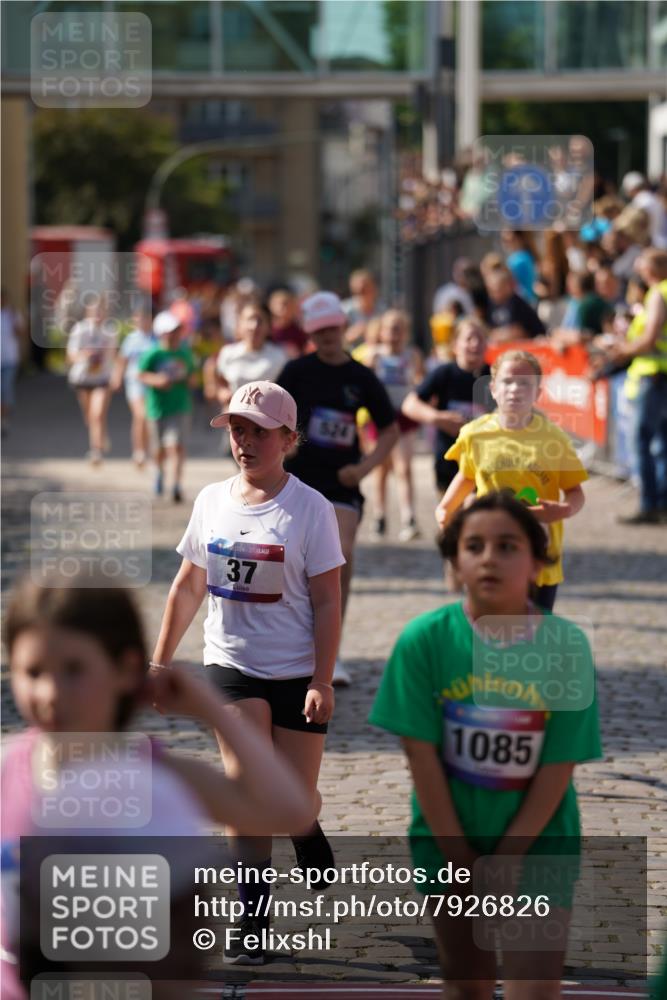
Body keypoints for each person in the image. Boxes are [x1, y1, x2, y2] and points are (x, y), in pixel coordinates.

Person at [1, 576, 314, 999]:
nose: (51, 693)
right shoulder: (8, 769)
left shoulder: (158, 776)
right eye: (33, 672)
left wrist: (212, 710)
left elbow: (292, 811)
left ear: (125, 670)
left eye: (74, 670)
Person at [369, 492, 602, 1000]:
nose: (490, 558)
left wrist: (510, 856)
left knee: (534, 988)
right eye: (473, 546)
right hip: (447, 838)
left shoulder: (566, 646)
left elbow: (559, 764)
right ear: (455, 564)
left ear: (538, 564)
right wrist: (457, 855)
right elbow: (421, 757)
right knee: (466, 982)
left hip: (540, 842)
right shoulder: (424, 641)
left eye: (508, 546)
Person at [150, 380, 344, 964]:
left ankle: (304, 825)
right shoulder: (211, 501)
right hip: (230, 665)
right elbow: (188, 586)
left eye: (259, 432)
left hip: (296, 671)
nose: (246, 442)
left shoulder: (311, 508)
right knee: (247, 788)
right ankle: (251, 919)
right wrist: (160, 661)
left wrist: (322, 679)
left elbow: (328, 600)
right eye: (238, 430)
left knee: (292, 797)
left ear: (288, 439)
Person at [278, 292, 398, 686]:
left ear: (343, 327)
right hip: (295, 481)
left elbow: (390, 430)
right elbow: (269, 416)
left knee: (340, 555)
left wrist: (363, 469)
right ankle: (291, 646)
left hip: (340, 484)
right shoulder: (296, 371)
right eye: (319, 330)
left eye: (332, 328)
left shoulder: (361, 377)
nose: (327, 336)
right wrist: (284, 444)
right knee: (290, 563)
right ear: (311, 333)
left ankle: (332, 654)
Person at [435, 350, 587, 611]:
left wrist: (563, 510)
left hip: (538, 556)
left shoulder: (554, 439)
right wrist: (445, 508)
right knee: (486, 629)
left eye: (525, 383)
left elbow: (576, 492)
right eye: (507, 382)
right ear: (493, 389)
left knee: (533, 632)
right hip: (489, 553)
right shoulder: (475, 434)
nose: (515, 389)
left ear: (538, 393)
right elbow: (467, 475)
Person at [603, 247, 667, 524]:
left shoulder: (658, 293)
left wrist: (623, 351)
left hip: (652, 375)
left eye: (641, 265)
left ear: (650, 269)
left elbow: (650, 338)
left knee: (642, 441)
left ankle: (649, 505)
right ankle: (661, 504)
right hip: (660, 375)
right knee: (662, 442)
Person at [402, 319, 492, 494]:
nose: (475, 344)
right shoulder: (444, 373)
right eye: (469, 339)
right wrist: (438, 418)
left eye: (480, 339)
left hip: (486, 464)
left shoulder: (495, 375)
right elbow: (409, 405)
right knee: (450, 511)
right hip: (448, 463)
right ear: (455, 345)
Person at [365, 309, 424, 541]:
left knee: (404, 467)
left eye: (399, 329)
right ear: (381, 331)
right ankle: (379, 517)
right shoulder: (374, 355)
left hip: (404, 416)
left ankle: (409, 517)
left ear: (406, 332)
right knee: (380, 468)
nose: (394, 334)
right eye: (390, 329)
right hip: (380, 416)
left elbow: (421, 381)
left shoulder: (412, 355)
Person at [138, 310, 196, 503]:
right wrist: (157, 380)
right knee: (158, 449)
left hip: (180, 406)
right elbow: (141, 374)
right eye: (171, 331)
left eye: (178, 330)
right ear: (162, 333)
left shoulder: (184, 353)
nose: (175, 335)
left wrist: (189, 380)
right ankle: (159, 473)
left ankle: (177, 485)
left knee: (176, 446)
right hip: (157, 408)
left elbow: (192, 376)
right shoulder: (154, 353)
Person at [66, 295, 118, 465]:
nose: (97, 315)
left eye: (100, 312)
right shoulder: (79, 330)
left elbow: (113, 356)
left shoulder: (109, 332)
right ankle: (102, 435)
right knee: (89, 416)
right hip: (83, 378)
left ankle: (96, 451)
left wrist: (115, 374)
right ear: (88, 312)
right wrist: (85, 356)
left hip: (102, 378)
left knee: (97, 413)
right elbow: (71, 355)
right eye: (94, 312)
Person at [207, 301, 286, 411]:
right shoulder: (228, 353)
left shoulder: (280, 356)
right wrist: (221, 392)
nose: (254, 326)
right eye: (250, 319)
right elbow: (215, 376)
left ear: (268, 326)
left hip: (267, 417)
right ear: (240, 324)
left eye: (260, 320)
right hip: (234, 416)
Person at [110, 306, 155, 467]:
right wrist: (117, 377)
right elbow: (122, 360)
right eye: (138, 318)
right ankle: (139, 451)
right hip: (135, 382)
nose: (141, 321)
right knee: (140, 415)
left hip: (151, 383)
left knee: (150, 418)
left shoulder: (156, 338)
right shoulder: (131, 339)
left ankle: (148, 449)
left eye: (144, 318)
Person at [483, 268, 545, 343]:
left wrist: (502, 335)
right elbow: (490, 330)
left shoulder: (519, 305)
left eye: (497, 290)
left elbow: (521, 332)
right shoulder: (492, 305)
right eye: (491, 291)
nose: (493, 294)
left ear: (507, 287)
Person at [342, 269, 385, 350]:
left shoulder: (383, 310)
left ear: (374, 288)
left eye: (365, 289)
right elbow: (337, 340)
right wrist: (351, 335)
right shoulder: (344, 310)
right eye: (358, 291)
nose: (361, 292)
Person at [1, 287, 23, 437]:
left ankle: (4, 421)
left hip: (9, 359)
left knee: (6, 389)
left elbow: (21, 332)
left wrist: (14, 321)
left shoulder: (12, 314)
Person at [267, 286, 309, 358]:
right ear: (271, 306)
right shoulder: (267, 330)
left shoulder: (299, 331)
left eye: (286, 304)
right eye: (278, 304)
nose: (282, 307)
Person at [500, 230, 539, 305]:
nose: (505, 243)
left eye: (507, 240)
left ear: (517, 238)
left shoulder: (516, 260)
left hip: (522, 301)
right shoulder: (527, 255)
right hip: (530, 300)